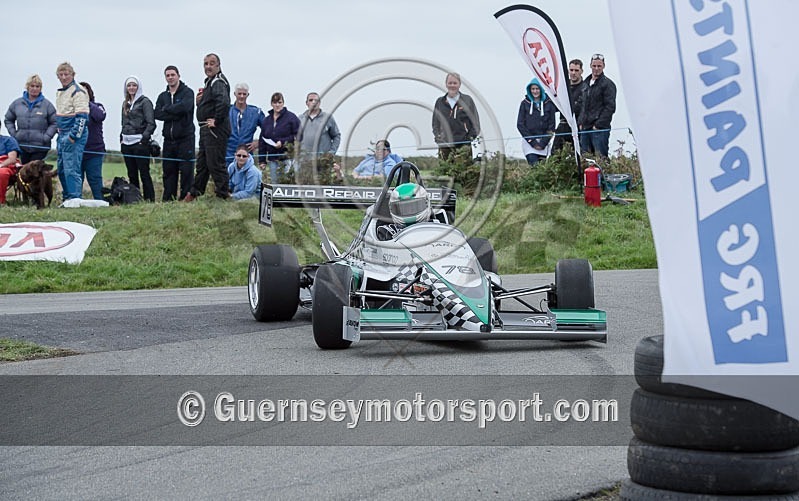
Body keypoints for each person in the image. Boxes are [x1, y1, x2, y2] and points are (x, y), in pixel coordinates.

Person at [186, 53, 231, 201]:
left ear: (218, 65)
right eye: (205, 64)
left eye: (212, 63)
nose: (208, 67)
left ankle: (223, 195)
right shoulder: (209, 82)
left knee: (215, 163)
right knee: (203, 164)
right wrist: (201, 101)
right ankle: (195, 192)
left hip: (214, 129)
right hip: (206, 129)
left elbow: (223, 102)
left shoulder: (218, 82)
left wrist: (216, 121)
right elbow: (213, 102)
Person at [154, 65, 195, 201]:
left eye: (173, 75)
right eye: (168, 75)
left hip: (185, 138)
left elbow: (185, 107)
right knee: (169, 171)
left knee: (186, 170)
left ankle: (185, 198)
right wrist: (174, 113)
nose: (170, 78)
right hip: (168, 140)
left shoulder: (188, 92)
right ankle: (168, 199)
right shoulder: (163, 96)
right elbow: (157, 113)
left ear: (178, 75)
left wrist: (168, 109)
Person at [54, 62, 90, 203]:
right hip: (61, 133)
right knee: (62, 168)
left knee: (72, 168)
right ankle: (67, 198)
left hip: (72, 133)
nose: (63, 77)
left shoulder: (78, 91)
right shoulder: (60, 92)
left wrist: (73, 136)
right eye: (60, 75)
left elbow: (82, 118)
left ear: (73, 75)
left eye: (66, 74)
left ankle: (75, 198)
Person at [4, 75, 57, 164]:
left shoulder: (47, 105)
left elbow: (55, 122)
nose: (34, 88)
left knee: (35, 173)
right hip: (22, 146)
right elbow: (8, 120)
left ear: (41, 88)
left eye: (37, 86)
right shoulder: (17, 104)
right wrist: (14, 134)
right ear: (27, 87)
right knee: (23, 172)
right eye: (32, 86)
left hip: (40, 147)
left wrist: (46, 137)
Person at [120, 76, 156, 202]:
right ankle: (134, 199)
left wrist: (144, 139)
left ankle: (149, 199)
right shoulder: (125, 103)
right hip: (126, 142)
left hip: (139, 142)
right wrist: (121, 138)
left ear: (138, 87)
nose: (131, 88)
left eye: (134, 85)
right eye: (129, 85)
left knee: (144, 173)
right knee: (131, 173)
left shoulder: (145, 102)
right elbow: (123, 123)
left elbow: (151, 123)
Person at [432, 72, 480, 162]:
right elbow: (435, 123)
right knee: (445, 173)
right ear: (446, 84)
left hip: (463, 146)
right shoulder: (440, 102)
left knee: (464, 173)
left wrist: (468, 139)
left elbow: (475, 124)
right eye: (450, 83)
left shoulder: (467, 100)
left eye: (455, 83)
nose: (452, 85)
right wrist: (439, 139)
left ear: (459, 84)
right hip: (445, 146)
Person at [578, 53, 617, 159]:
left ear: (603, 66)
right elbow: (582, 105)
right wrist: (580, 122)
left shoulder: (608, 84)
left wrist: (598, 125)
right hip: (585, 128)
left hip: (599, 129)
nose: (596, 68)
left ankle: (604, 175)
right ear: (590, 65)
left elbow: (610, 107)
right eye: (594, 66)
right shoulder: (585, 83)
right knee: (586, 159)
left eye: (599, 66)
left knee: (601, 158)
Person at [258, 92, 300, 183]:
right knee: (275, 185)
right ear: (271, 104)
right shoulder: (266, 120)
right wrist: (262, 161)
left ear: (283, 103)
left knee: (288, 184)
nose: (277, 105)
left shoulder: (291, 118)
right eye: (275, 102)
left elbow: (299, 135)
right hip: (273, 158)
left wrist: (282, 142)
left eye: (279, 102)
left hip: (288, 158)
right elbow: (262, 141)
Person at [517, 79, 556, 166]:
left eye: (537, 89)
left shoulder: (549, 104)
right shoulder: (524, 104)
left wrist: (543, 143)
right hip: (529, 143)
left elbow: (552, 126)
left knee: (542, 168)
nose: (535, 91)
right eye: (533, 89)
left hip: (544, 143)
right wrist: (532, 142)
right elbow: (520, 124)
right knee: (534, 165)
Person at [79, 82, 106, 200]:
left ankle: (100, 201)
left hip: (94, 151)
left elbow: (100, 116)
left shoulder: (97, 106)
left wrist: (86, 103)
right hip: (77, 151)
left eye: (85, 92)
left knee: (95, 178)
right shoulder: (71, 109)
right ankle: (75, 202)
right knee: (77, 179)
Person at [553, 59, 586, 153]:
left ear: (581, 71)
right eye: (571, 70)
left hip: (578, 126)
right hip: (563, 124)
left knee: (579, 154)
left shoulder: (585, 88)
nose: (573, 73)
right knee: (555, 155)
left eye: (576, 70)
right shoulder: (562, 87)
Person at [225, 83, 264, 163]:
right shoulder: (226, 111)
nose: (242, 96)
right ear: (235, 94)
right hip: (228, 154)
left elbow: (268, 128)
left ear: (248, 95)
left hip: (247, 154)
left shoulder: (256, 112)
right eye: (239, 93)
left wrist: (258, 142)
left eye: (244, 94)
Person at [297, 92, 341, 162]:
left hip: (323, 161)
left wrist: (331, 153)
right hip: (304, 161)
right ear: (306, 103)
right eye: (311, 100)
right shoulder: (300, 119)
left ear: (319, 103)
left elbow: (336, 136)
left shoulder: (327, 118)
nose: (313, 102)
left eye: (316, 100)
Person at [0, 124, 22, 206]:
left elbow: (12, 159)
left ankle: (1, 201)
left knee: (2, 173)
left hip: (5, 166)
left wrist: (1, 165)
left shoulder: (8, 140)